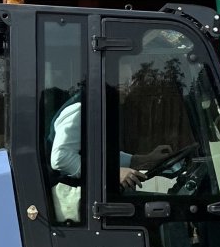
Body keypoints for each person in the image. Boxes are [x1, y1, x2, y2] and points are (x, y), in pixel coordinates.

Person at [48, 92, 169, 221]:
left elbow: (97, 153)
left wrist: (145, 159)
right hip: (74, 207)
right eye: (125, 78)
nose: (129, 87)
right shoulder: (80, 108)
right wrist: (112, 174)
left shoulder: (96, 107)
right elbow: (60, 158)